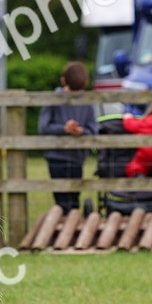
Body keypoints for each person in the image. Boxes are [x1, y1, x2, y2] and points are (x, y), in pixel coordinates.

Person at [38, 61, 97, 213]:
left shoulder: (87, 103)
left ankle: (72, 221)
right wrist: (64, 129)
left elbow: (93, 129)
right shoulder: (53, 99)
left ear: (63, 79)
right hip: (56, 156)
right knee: (61, 199)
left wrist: (81, 131)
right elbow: (44, 127)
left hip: (76, 157)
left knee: (74, 197)